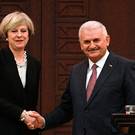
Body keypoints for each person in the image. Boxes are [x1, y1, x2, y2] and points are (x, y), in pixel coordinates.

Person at [29, 21, 135, 135]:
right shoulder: (76, 71)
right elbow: (66, 108)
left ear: (107, 40)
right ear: (80, 45)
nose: (92, 45)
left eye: (96, 40)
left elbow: (132, 111)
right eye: (87, 42)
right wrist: (44, 122)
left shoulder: (126, 67)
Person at [0, 11, 41, 135]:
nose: (19, 35)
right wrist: (22, 114)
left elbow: (31, 101)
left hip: (28, 130)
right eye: (14, 31)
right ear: (6, 35)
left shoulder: (35, 64)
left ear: (29, 34)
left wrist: (32, 119)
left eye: (23, 31)